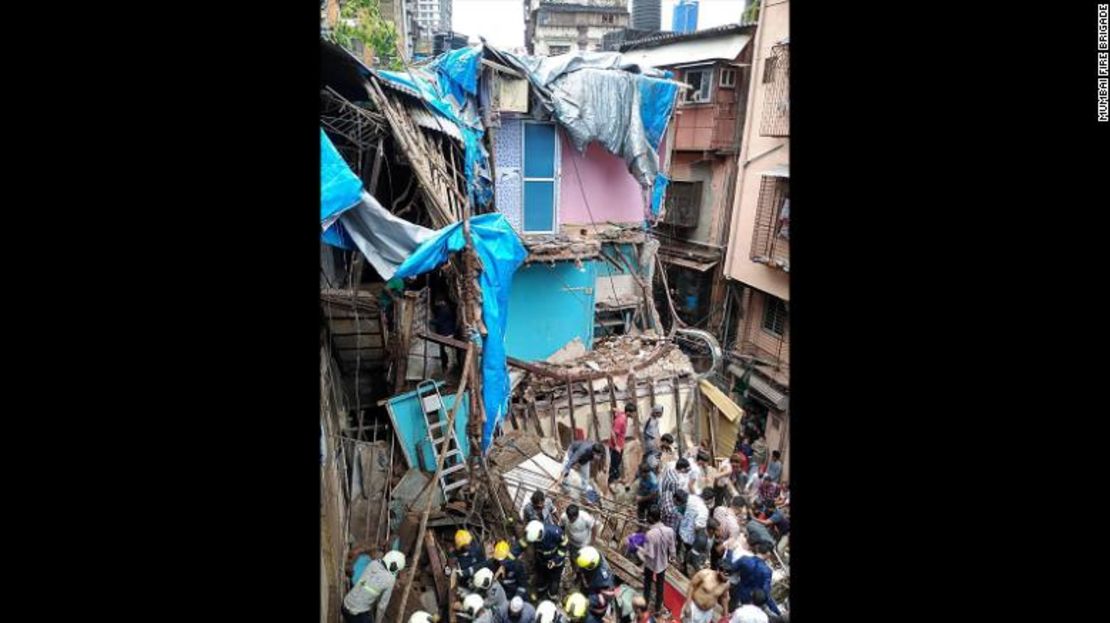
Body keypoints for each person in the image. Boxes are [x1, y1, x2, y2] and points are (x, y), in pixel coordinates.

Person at [342, 550, 406, 623]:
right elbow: (381, 607)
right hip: (356, 615)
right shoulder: (390, 579)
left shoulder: (373, 563)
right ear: (394, 566)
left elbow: (364, 583)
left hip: (345, 605)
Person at [636, 505, 676, 615]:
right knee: (660, 585)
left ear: (651, 518)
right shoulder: (669, 531)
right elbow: (672, 548)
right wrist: (673, 557)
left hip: (651, 564)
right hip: (663, 563)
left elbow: (650, 554)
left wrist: (639, 549)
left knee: (647, 584)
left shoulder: (650, 534)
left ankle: (645, 604)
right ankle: (658, 606)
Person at [721, 543, 781, 616]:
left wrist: (729, 552)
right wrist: (777, 612)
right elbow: (766, 594)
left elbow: (729, 569)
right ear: (768, 553)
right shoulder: (767, 571)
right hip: (750, 600)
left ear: (758, 549)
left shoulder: (745, 559)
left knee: (728, 614)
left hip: (738, 592)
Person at [516, 520, 568, 601]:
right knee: (542, 577)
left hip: (555, 561)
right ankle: (541, 592)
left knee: (555, 580)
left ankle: (552, 597)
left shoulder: (555, 532)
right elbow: (523, 545)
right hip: (541, 560)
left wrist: (555, 560)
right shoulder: (531, 534)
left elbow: (564, 547)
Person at [676, 490, 709, 573]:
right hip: (690, 536)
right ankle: (681, 567)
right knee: (685, 553)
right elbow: (698, 527)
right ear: (709, 499)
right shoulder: (704, 510)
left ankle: (677, 564)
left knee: (679, 549)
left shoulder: (691, 497)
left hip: (682, 528)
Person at [659, 458, 691, 531]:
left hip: (663, 495)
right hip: (669, 502)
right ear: (682, 469)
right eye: (686, 470)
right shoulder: (675, 481)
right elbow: (676, 496)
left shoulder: (669, 470)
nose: (686, 472)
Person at [609, 403, 631, 483]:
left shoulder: (623, 415)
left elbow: (617, 411)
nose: (634, 414)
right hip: (616, 447)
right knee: (614, 465)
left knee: (617, 463)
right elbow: (613, 433)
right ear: (629, 412)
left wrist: (615, 410)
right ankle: (611, 483)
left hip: (620, 445)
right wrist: (616, 446)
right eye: (633, 412)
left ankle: (616, 479)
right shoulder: (621, 420)